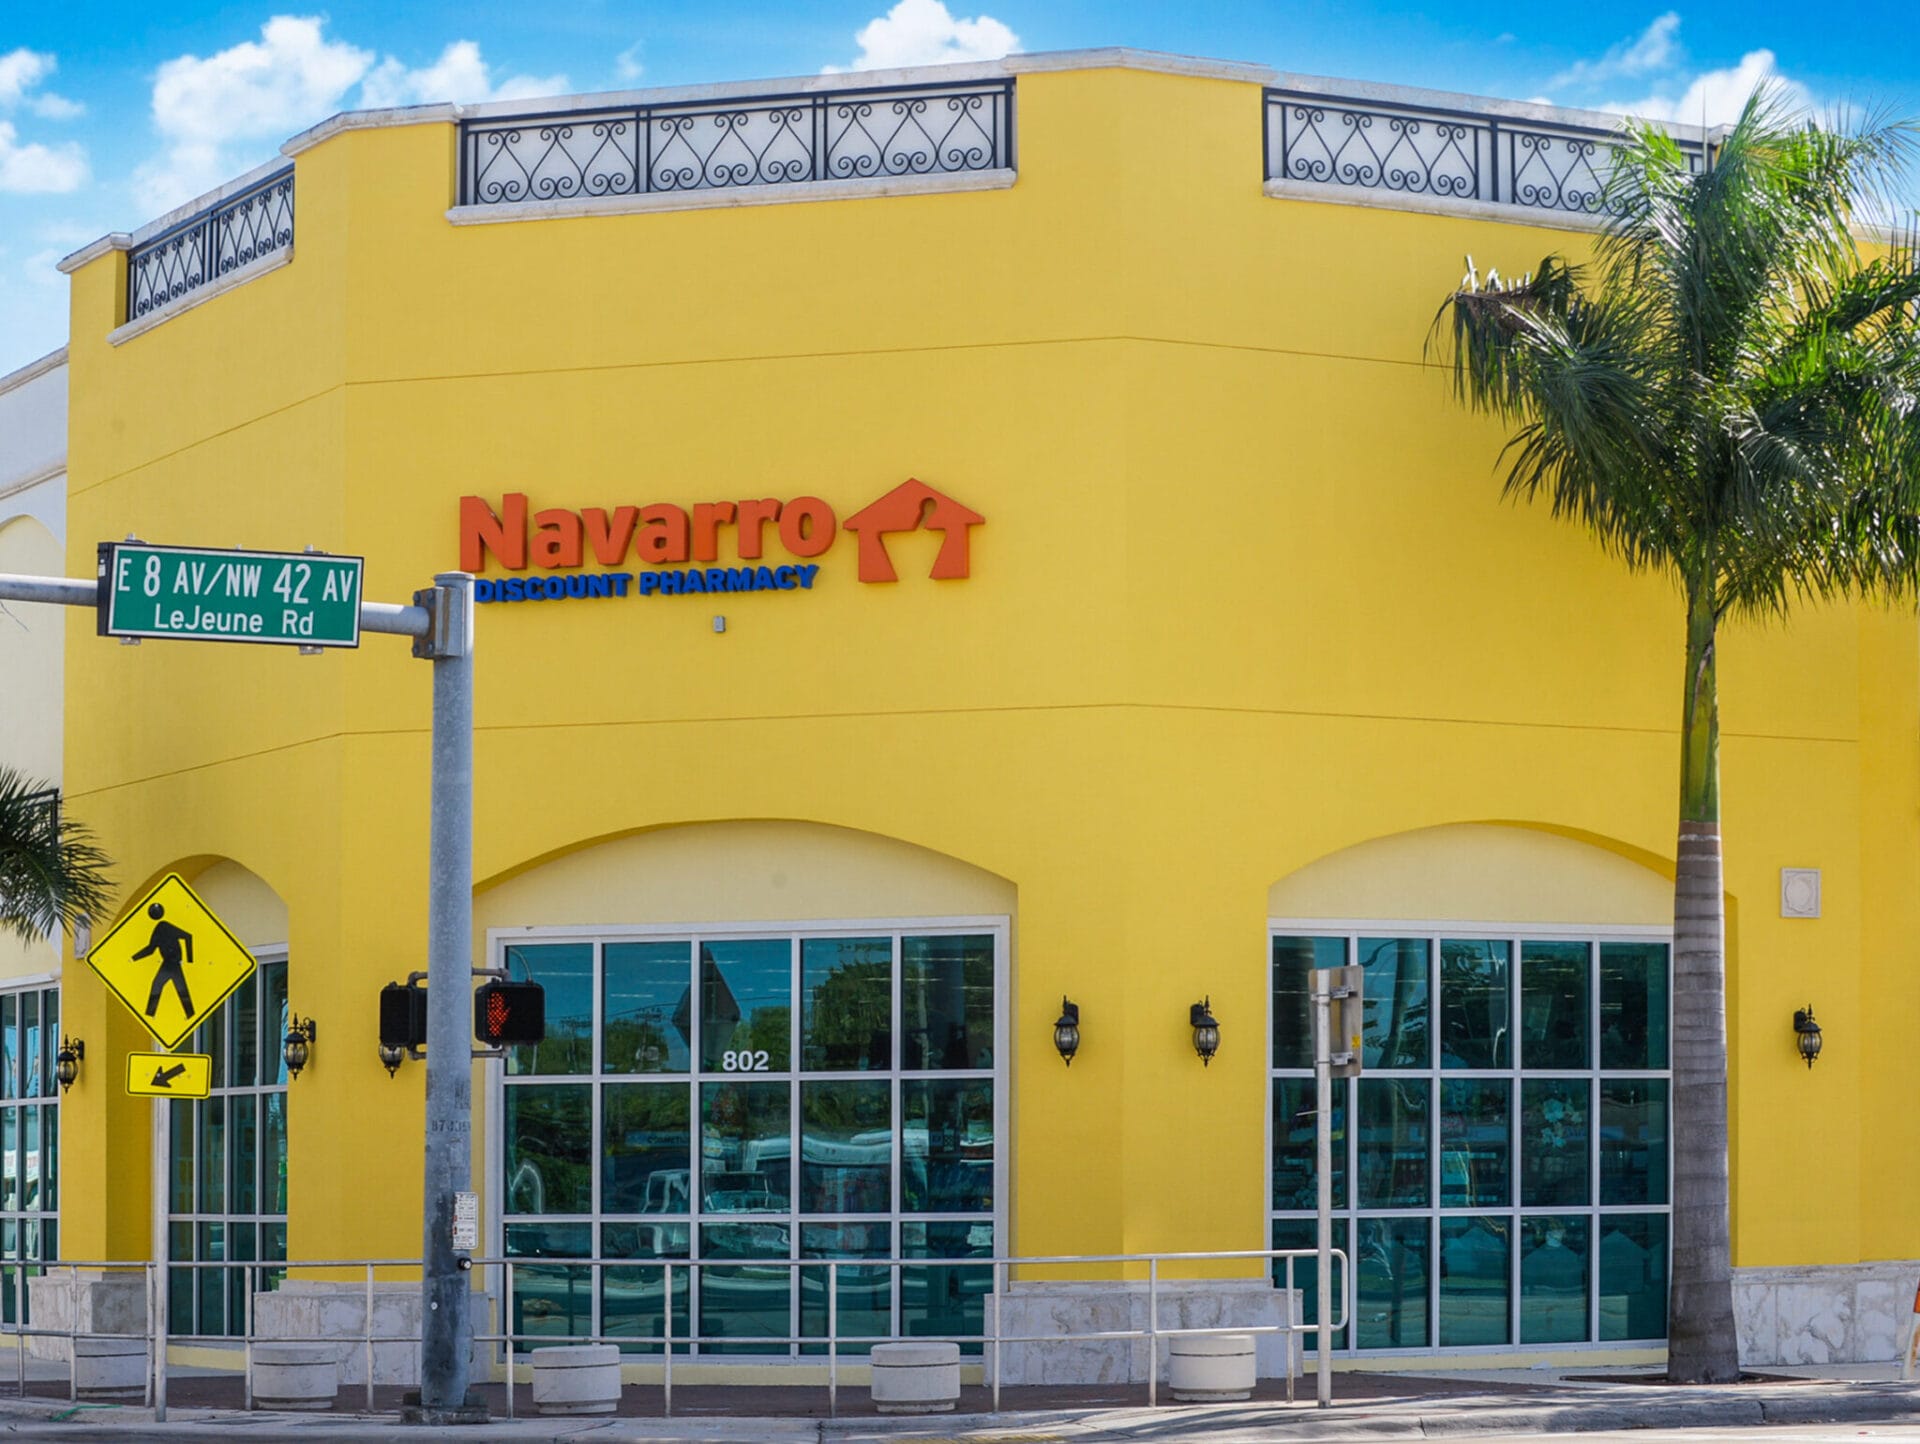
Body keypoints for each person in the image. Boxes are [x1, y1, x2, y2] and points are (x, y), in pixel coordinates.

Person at [134, 903, 195, 1017]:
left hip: (173, 962)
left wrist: (189, 959)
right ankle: (189, 1014)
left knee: (161, 985)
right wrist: (133, 958)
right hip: (169, 962)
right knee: (176, 988)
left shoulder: (165, 926)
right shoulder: (159, 929)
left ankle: (150, 1014)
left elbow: (188, 936)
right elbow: (150, 949)